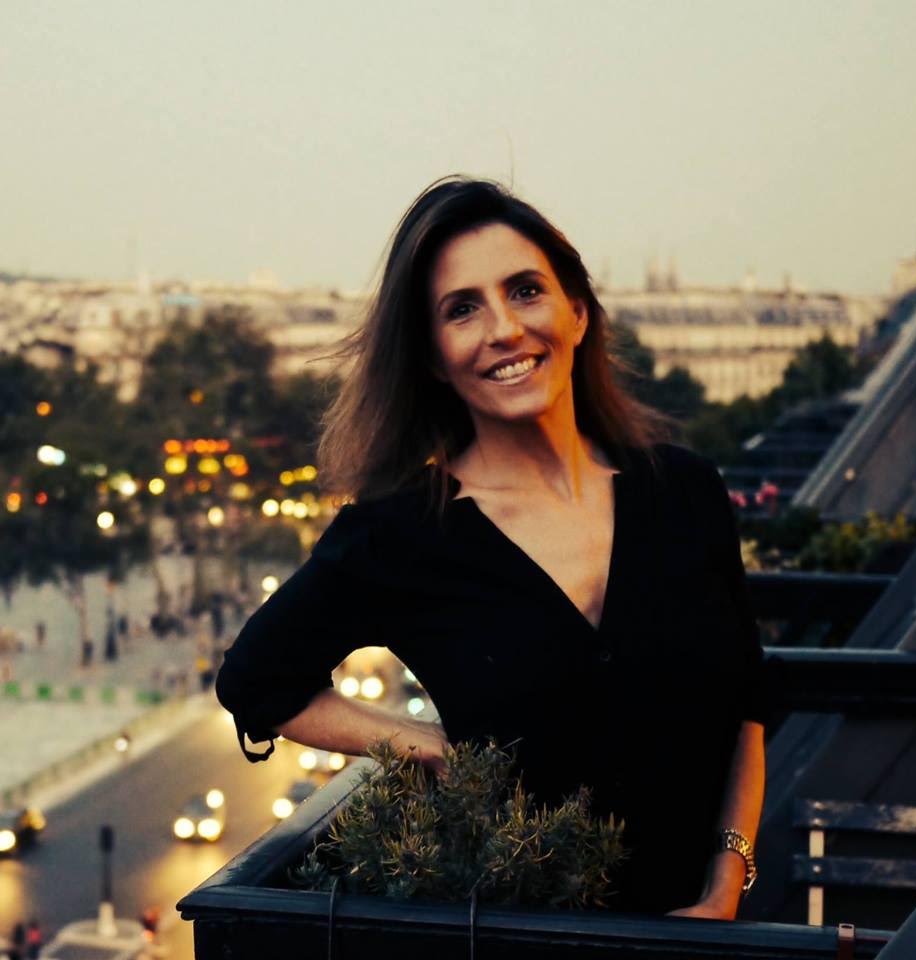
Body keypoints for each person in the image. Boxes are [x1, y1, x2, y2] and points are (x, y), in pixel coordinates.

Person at [216, 177, 766, 918]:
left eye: (525, 291)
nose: (503, 329)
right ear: (433, 357)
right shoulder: (403, 532)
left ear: (578, 312)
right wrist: (424, 743)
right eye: (462, 309)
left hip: (706, 934)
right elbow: (255, 681)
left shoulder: (686, 492)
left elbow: (748, 701)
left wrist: (725, 883)